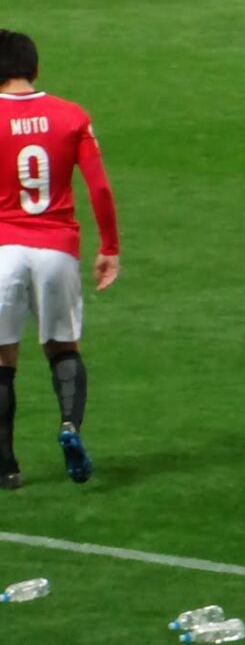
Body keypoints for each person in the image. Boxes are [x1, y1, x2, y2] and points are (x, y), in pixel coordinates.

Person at [0, 30, 121, 489]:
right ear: (35, 68)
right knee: (62, 347)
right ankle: (70, 426)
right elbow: (100, 188)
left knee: (2, 358)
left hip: (2, 250)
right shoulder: (71, 116)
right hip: (57, 250)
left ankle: (6, 467)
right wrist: (109, 247)